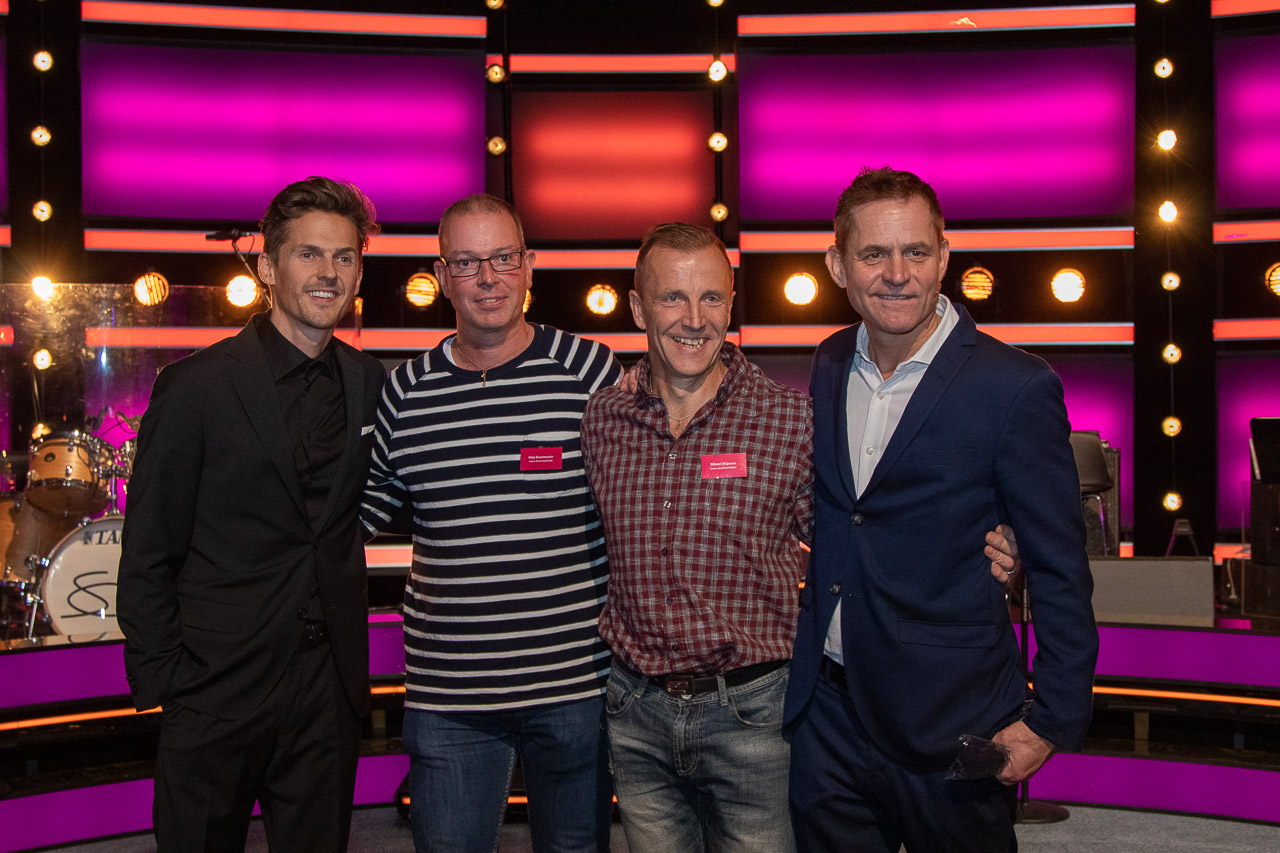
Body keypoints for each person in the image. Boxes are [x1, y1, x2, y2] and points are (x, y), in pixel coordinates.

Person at [785, 166, 1099, 852]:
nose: (897, 274)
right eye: (874, 254)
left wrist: (1050, 718)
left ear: (944, 257)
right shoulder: (829, 361)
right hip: (829, 716)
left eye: (916, 252)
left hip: (955, 720)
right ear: (838, 265)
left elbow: (1061, 568)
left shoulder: (1015, 385)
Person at [117, 176, 386, 852]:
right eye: (308, 254)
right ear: (267, 267)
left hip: (326, 691)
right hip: (215, 689)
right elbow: (148, 546)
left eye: (344, 256)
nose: (329, 273)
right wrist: (170, 685)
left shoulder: (369, 382)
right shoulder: (195, 387)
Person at [361, 194, 620, 853]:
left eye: (503, 258)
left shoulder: (589, 370)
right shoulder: (407, 389)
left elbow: (636, 504)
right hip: (450, 694)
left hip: (573, 685)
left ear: (529, 266)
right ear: (441, 276)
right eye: (467, 262)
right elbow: (363, 512)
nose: (487, 278)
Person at [581, 223, 812, 852]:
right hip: (635, 711)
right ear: (638, 309)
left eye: (711, 297)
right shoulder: (603, 419)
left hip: (753, 713)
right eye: (672, 298)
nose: (693, 319)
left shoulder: (789, 420)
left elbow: (853, 543)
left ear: (731, 305)